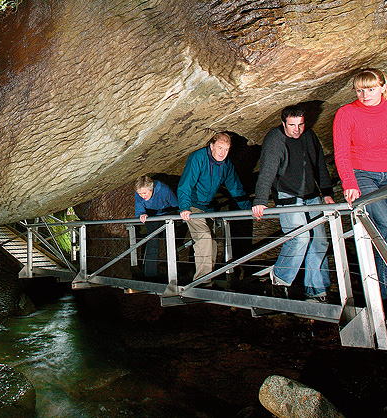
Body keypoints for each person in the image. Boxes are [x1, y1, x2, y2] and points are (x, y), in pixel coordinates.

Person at [333, 68, 387, 328]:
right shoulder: (346, 113)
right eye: (360, 90)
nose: (365, 94)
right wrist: (349, 183)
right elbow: (341, 152)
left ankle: (385, 302)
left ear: (383, 87)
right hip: (363, 177)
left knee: (386, 238)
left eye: (371, 88)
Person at [252, 106, 336, 301]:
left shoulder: (309, 136)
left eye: (300, 125)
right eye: (292, 125)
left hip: (311, 194)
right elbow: (267, 169)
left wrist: (327, 193)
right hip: (288, 194)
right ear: (283, 124)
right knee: (300, 238)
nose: (297, 130)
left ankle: (317, 291)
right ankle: (279, 280)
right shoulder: (275, 139)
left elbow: (320, 165)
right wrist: (260, 200)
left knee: (320, 241)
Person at [177, 132, 251, 284]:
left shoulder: (226, 165)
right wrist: (184, 207)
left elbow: (235, 188)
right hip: (192, 205)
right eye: (220, 148)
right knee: (203, 236)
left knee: (213, 243)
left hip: (207, 207)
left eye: (226, 149)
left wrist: (248, 209)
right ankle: (201, 281)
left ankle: (208, 278)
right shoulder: (198, 158)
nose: (222, 153)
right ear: (211, 146)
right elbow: (186, 183)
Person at [134, 176, 178, 279]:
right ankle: (150, 275)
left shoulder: (164, 189)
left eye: (144, 193)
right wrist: (141, 214)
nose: (142, 196)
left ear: (152, 188)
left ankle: (174, 274)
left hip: (167, 213)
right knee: (152, 242)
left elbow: (175, 204)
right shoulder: (139, 193)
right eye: (140, 194)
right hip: (152, 215)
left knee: (170, 242)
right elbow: (139, 207)